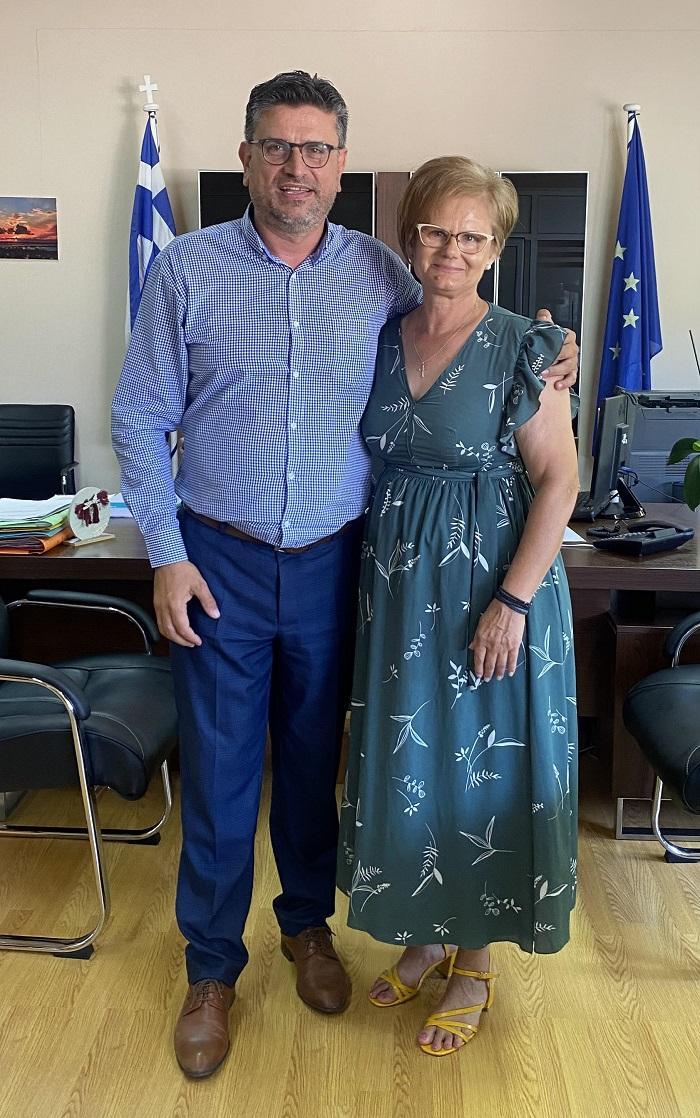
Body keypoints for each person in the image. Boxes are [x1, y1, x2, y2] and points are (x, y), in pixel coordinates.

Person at [112, 72, 579, 1079]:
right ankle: (211, 969)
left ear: (340, 164)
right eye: (279, 146)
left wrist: (552, 353)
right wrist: (165, 552)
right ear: (247, 156)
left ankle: (307, 928)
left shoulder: (380, 273)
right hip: (219, 560)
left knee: (318, 765)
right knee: (222, 774)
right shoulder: (186, 270)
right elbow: (140, 415)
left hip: (340, 564)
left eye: (317, 148)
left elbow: (471, 332)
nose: (298, 166)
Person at [337, 156, 580, 1057]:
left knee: (476, 768)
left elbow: (559, 482)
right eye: (436, 230)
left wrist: (512, 602)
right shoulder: (379, 333)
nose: (451, 249)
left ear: (496, 248)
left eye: (472, 236)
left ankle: (474, 960)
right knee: (413, 760)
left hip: (490, 586)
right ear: (410, 237)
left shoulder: (525, 346)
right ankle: (425, 933)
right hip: (399, 592)